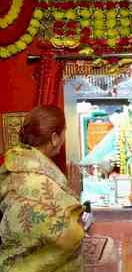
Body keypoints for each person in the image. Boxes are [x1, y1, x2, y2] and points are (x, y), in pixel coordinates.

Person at [0, 105, 85, 272]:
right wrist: (74, 194)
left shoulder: (14, 166)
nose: (63, 139)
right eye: (64, 132)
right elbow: (71, 236)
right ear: (54, 138)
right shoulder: (40, 182)